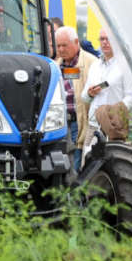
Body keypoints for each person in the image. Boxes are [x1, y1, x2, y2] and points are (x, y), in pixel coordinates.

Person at [80, 29, 132, 169]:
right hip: (94, 124)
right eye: (102, 39)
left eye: (108, 39)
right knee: (87, 166)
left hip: (114, 126)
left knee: (114, 167)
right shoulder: (95, 65)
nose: (105, 42)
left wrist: (115, 112)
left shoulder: (125, 66)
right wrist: (90, 94)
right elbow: (84, 97)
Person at [55, 26, 97, 171]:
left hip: (79, 122)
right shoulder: (56, 65)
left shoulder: (91, 63)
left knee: (77, 163)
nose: (60, 49)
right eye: (58, 45)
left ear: (76, 42)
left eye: (64, 45)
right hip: (60, 123)